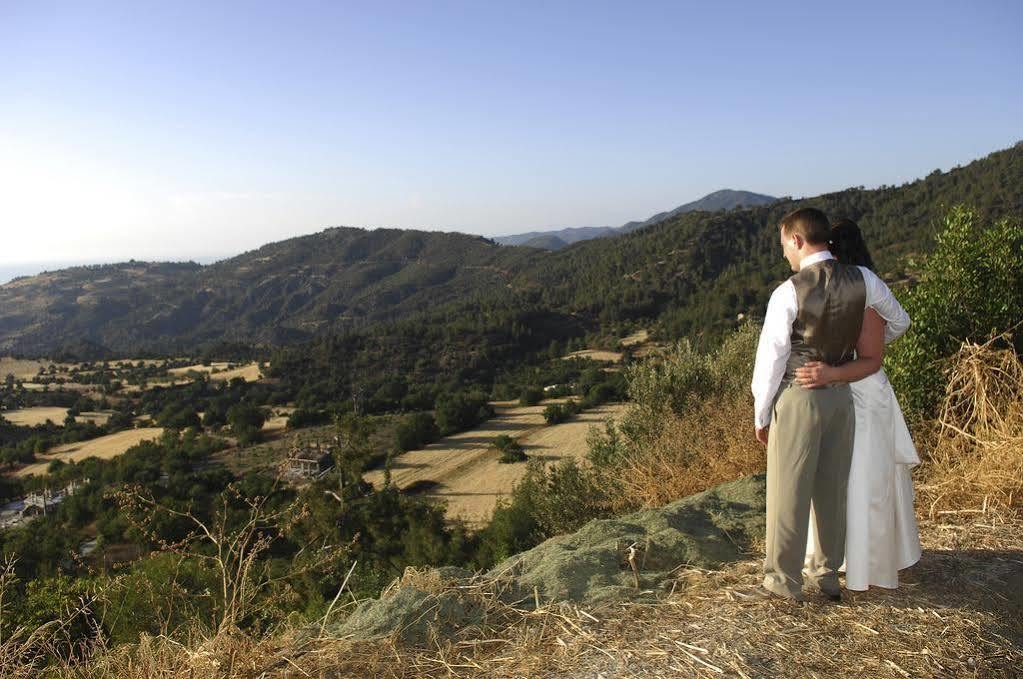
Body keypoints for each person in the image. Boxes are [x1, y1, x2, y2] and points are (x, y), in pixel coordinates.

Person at [749, 208, 910, 603]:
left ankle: (782, 583)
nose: (785, 252)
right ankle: (826, 578)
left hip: (800, 395)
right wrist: (854, 357)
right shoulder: (865, 279)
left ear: (799, 240)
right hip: (842, 396)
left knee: (788, 493)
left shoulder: (788, 291)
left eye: (785, 243)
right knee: (832, 491)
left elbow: (770, 361)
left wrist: (761, 411)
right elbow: (900, 321)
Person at [795, 219, 922, 591]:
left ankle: (857, 561)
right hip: (858, 386)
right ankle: (852, 557)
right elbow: (900, 322)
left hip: (859, 388)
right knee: (861, 474)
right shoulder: (866, 284)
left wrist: (843, 361)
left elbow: (887, 333)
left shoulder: (856, 287)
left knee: (861, 476)